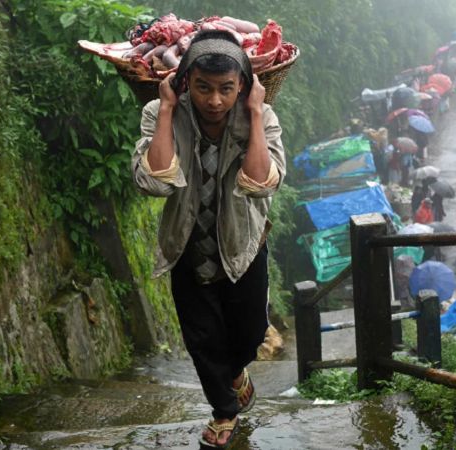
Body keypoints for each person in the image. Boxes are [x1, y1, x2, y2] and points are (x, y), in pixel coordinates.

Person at [130, 30, 286, 448]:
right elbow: (154, 183)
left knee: (251, 331)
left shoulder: (261, 117)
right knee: (202, 338)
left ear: (243, 87)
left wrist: (254, 113)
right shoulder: (160, 112)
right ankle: (224, 411)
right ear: (185, 83)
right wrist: (165, 110)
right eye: (202, 87)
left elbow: (260, 184)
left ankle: (236, 374)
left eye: (226, 89)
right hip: (186, 244)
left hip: (243, 244)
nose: (214, 101)